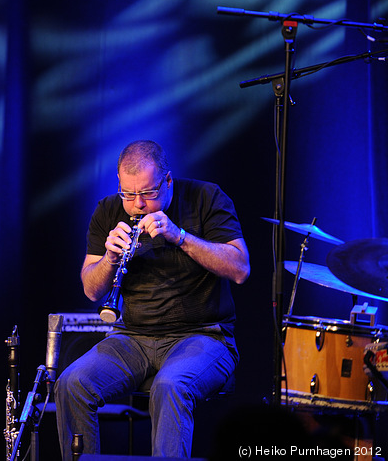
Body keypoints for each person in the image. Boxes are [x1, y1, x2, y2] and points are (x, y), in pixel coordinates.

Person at [54, 140, 249, 459]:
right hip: (133, 337)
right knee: (71, 384)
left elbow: (240, 268)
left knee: (170, 386)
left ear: (168, 180)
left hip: (204, 336)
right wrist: (109, 258)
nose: (138, 205)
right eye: (128, 195)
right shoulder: (107, 210)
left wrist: (180, 236)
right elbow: (91, 289)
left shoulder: (205, 197)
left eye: (147, 193)